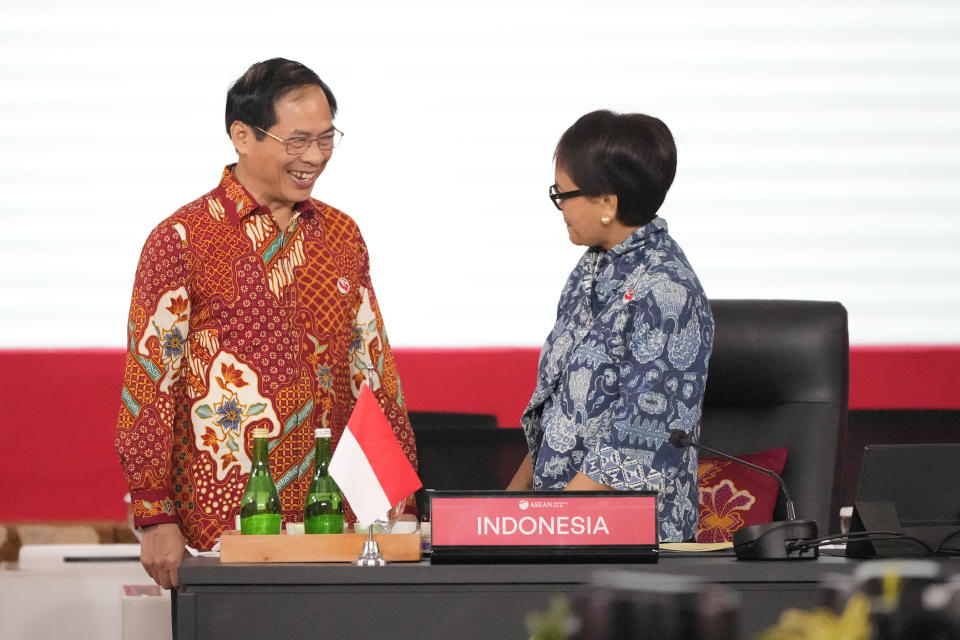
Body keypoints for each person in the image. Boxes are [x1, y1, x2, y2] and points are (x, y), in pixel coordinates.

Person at [115, 58, 417, 589]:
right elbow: (149, 384)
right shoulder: (181, 240)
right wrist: (155, 515)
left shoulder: (342, 236)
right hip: (222, 529)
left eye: (326, 139)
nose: (315, 158)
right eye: (297, 141)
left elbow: (371, 368)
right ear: (242, 136)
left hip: (333, 524)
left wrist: (397, 496)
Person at [507, 110, 714, 542]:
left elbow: (641, 434)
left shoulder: (667, 290)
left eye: (563, 194)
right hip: (563, 526)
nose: (559, 205)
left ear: (607, 203)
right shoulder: (591, 270)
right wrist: (505, 510)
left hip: (627, 541)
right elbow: (558, 408)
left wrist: (550, 525)